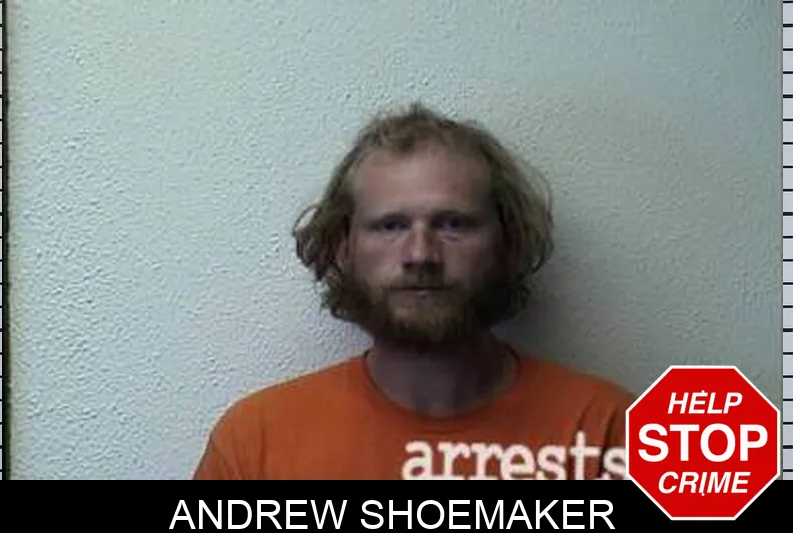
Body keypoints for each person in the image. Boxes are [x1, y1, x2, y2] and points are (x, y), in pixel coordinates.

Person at [193, 102, 635, 480]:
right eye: (390, 226)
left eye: (454, 224)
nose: (421, 254)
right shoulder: (254, 443)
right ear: (344, 249)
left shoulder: (615, 433)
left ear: (507, 244)